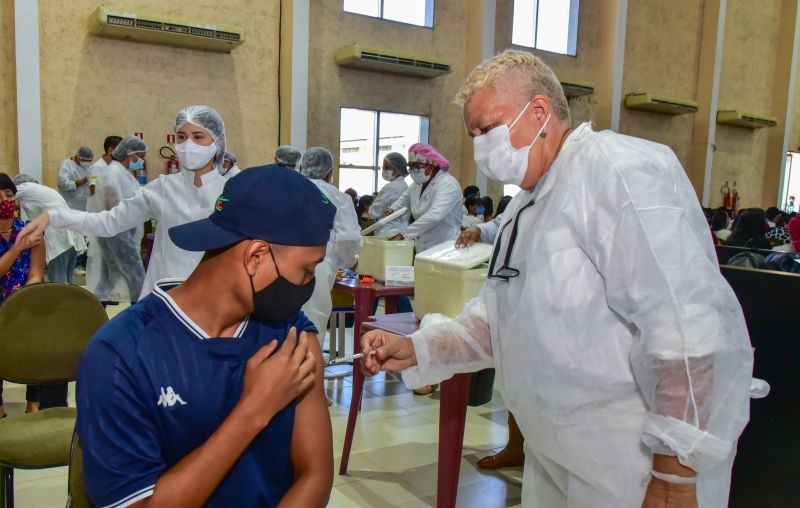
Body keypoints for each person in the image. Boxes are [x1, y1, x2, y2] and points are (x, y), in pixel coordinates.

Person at [361, 49, 753, 507]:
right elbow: (493, 322)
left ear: (540, 111)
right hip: (555, 457)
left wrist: (675, 474)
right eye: (473, 134)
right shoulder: (525, 206)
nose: (480, 146)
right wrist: (416, 349)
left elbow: (686, 330)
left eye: (487, 128)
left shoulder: (616, 172)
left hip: (632, 468)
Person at [76, 167, 335, 507]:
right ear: (256, 257)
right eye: (306, 270)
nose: (308, 284)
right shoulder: (120, 355)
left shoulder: (292, 334)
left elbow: (315, 474)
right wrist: (255, 408)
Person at [18, 105, 229, 300]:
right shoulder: (162, 188)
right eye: (182, 137)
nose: (187, 145)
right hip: (167, 297)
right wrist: (54, 216)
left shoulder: (232, 191)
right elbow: (109, 222)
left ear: (217, 142)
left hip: (216, 298)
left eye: (198, 137)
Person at [297, 147, 361, 337]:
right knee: (311, 325)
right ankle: (310, 365)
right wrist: (350, 262)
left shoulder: (290, 188)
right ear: (329, 172)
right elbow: (348, 237)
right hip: (318, 266)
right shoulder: (338, 198)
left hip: (281, 264)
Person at [0, 173, 45, 417]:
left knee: (39, 343)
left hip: (23, 304)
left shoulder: (29, 230)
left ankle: (34, 403)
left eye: (8, 195)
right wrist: (18, 247)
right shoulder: (21, 239)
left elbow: (37, 272)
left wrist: (27, 295)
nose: (4, 200)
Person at [384, 143, 462, 252]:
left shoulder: (447, 184)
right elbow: (404, 198)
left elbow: (434, 215)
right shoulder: (418, 184)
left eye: (416, 167)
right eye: (410, 167)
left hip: (445, 246)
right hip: (423, 246)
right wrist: (393, 209)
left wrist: (404, 234)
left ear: (431, 165)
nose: (412, 172)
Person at [13, 174, 87, 284]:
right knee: (68, 277)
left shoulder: (25, 187)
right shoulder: (42, 191)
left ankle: (60, 301)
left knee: (58, 277)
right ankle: (69, 300)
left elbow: (7, 190)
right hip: (71, 233)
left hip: (59, 236)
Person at [368, 152, 409, 237]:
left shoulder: (391, 187)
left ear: (397, 169)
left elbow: (373, 213)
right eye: (383, 167)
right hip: (399, 230)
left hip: (387, 231)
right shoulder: (404, 185)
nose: (384, 170)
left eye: (387, 168)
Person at [57, 146, 93, 212]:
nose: (87, 163)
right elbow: (62, 185)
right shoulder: (66, 165)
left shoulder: (88, 166)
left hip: (84, 204)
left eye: (89, 161)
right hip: (70, 204)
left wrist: (96, 177)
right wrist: (82, 181)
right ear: (78, 157)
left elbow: (92, 176)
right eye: (85, 161)